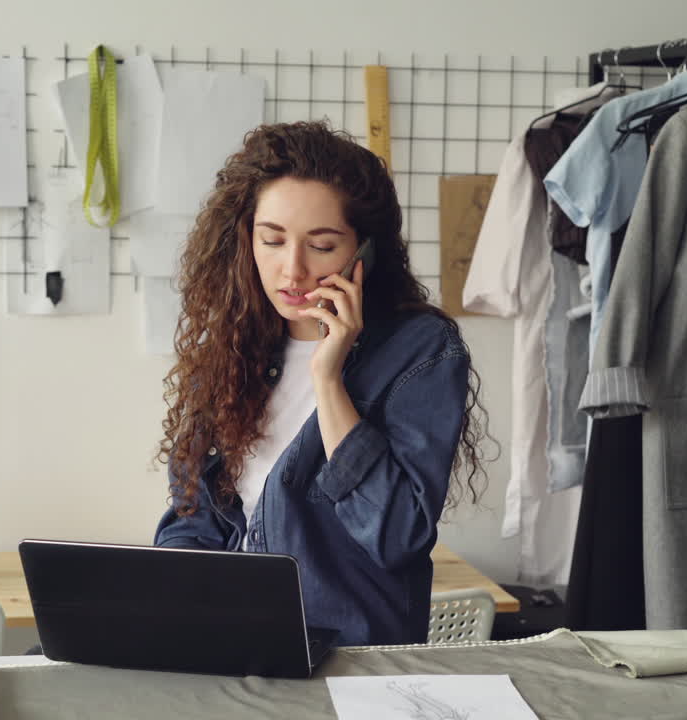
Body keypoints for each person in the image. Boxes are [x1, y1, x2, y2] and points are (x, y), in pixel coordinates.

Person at [154, 121, 490, 646]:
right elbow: (192, 519)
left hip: (349, 660)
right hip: (230, 648)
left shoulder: (420, 351)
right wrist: (160, 604)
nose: (293, 270)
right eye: (272, 240)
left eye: (323, 245)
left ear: (364, 252)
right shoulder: (232, 348)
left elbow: (396, 535)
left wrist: (327, 377)